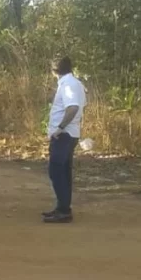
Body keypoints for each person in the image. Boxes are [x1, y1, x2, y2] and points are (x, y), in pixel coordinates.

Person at [44, 55, 87, 224]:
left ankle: (63, 210)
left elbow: (73, 108)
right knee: (64, 171)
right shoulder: (75, 84)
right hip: (70, 133)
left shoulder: (68, 85)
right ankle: (62, 207)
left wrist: (60, 128)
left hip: (64, 134)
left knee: (56, 171)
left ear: (54, 71)